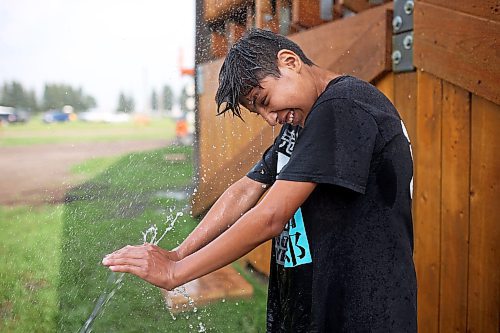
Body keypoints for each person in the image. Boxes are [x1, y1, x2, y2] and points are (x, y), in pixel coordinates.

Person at [102, 28, 417, 332]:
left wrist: (176, 272)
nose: (270, 118)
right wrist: (180, 252)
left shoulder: (343, 106)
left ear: (289, 61)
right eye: (258, 111)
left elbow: (271, 217)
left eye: (263, 100)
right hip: (317, 307)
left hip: (361, 312)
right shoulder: (304, 122)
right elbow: (245, 189)